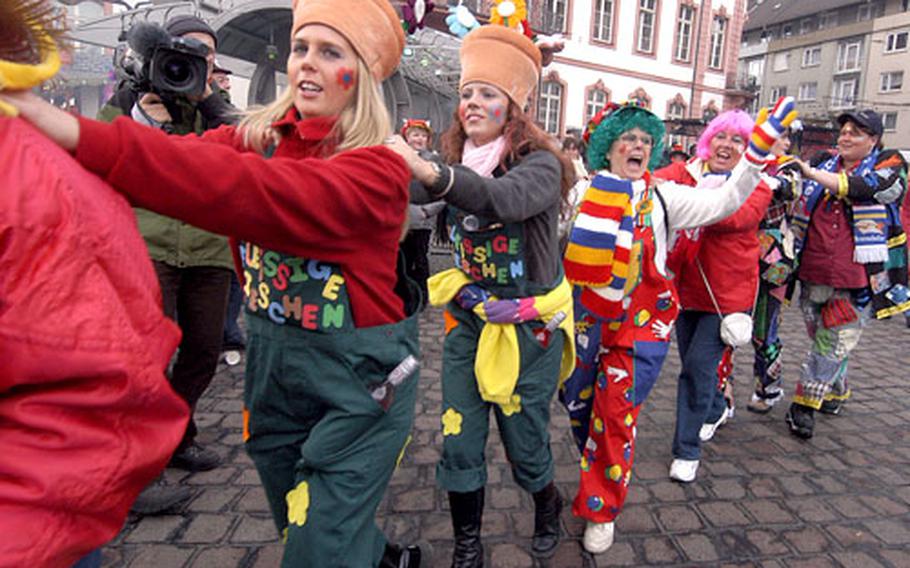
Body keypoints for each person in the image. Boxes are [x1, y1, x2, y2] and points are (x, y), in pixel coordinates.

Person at [1, 0, 428, 565]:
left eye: (331, 53)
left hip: (360, 390)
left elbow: (247, 190)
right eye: (301, 48)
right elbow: (177, 161)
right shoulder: (256, 137)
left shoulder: (378, 169)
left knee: (318, 545)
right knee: (300, 522)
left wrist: (74, 131)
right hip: (275, 380)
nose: (307, 64)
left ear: (366, 74)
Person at [560, 98, 796, 554]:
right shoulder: (581, 195)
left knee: (615, 417)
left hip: (640, 329)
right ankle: (600, 455)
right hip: (587, 324)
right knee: (579, 408)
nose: (638, 147)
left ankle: (601, 507)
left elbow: (726, 200)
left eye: (646, 141)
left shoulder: (664, 196)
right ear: (607, 147)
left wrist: (757, 152)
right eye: (628, 138)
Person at [0, 4, 187, 562]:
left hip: (188, 255)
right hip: (149, 249)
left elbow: (97, 382)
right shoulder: (84, 132)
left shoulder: (30, 181)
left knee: (195, 351)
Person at [385, 24, 577, 565]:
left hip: (529, 330)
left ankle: (546, 501)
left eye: (487, 94)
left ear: (513, 108)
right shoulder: (453, 162)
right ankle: (467, 544)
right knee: (459, 436)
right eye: (467, 94)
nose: (472, 102)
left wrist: (431, 173)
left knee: (523, 441)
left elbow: (502, 200)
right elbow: (400, 187)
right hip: (467, 322)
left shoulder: (541, 166)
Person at [97, 15, 239, 515]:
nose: (192, 61)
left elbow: (247, 147)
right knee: (147, 360)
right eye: (182, 51)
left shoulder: (214, 107)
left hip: (208, 250)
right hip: (148, 246)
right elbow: (97, 147)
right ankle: (138, 471)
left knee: (202, 353)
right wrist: (139, 114)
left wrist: (208, 99)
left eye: (204, 54)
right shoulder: (129, 103)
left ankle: (178, 436)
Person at [654, 109, 773, 483]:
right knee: (694, 362)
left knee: (697, 369)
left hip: (726, 295)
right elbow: (647, 185)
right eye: (720, 136)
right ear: (708, 141)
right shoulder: (684, 174)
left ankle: (686, 450)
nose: (726, 145)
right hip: (685, 289)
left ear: (749, 150)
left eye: (738, 140)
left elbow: (728, 215)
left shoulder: (758, 186)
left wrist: (681, 200)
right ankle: (717, 406)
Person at [784, 109, 908, 439]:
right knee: (820, 336)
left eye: (855, 132)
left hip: (858, 280)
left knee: (831, 343)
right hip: (813, 271)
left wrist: (810, 173)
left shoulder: (891, 165)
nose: (845, 137)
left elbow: (866, 188)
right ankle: (837, 388)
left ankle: (804, 406)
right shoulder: (824, 161)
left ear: (874, 140)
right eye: (843, 131)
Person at [747, 126, 802, 414]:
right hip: (736, 255)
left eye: (785, 137)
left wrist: (752, 177)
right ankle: (721, 395)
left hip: (774, 261)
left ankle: (767, 387)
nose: (785, 142)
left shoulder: (788, 167)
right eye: (779, 136)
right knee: (725, 326)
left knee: (764, 329)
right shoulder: (743, 162)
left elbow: (789, 188)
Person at [401, 119, 445, 305]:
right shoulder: (399, 157)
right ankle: (402, 294)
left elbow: (442, 193)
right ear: (407, 137)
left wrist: (427, 212)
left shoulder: (433, 160)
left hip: (422, 219)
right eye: (415, 135)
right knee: (401, 258)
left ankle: (421, 296)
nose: (419, 139)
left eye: (423, 135)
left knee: (419, 258)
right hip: (400, 219)